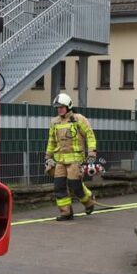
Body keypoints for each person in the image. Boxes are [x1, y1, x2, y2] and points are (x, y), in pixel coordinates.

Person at [44, 93, 97, 221]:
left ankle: (89, 202)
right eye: (58, 107)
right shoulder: (55, 122)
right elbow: (51, 141)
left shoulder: (79, 119)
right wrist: (48, 157)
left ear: (68, 106)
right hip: (60, 160)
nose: (59, 110)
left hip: (75, 159)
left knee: (75, 186)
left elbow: (89, 135)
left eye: (62, 107)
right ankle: (66, 212)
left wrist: (91, 152)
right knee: (59, 187)